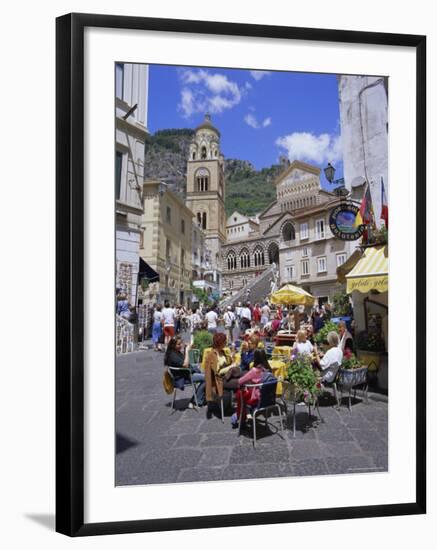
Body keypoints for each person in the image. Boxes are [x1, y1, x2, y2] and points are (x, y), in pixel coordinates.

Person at [231, 349, 272, 428]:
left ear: (255, 358)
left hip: (255, 400)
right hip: (267, 399)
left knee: (240, 392)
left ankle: (240, 416)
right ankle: (247, 413)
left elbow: (240, 381)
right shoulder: (269, 370)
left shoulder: (254, 371)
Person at [164, 336, 206, 407]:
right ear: (172, 345)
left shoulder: (175, 351)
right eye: (178, 344)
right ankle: (196, 401)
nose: (181, 345)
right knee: (207, 378)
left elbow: (182, 361)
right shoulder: (172, 355)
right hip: (183, 378)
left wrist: (186, 348)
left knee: (206, 376)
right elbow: (185, 364)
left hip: (186, 374)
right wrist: (186, 351)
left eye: (181, 343)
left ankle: (198, 398)